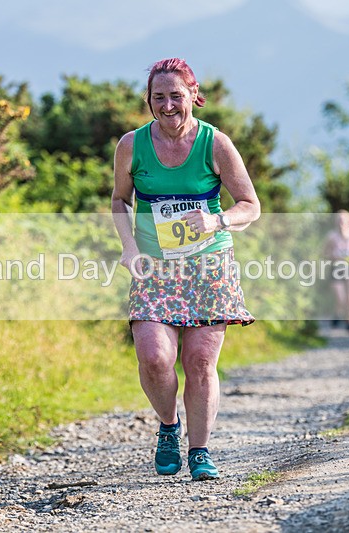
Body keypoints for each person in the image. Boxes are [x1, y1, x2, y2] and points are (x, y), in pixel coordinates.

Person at [111, 58, 260, 481]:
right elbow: (120, 200)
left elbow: (251, 205)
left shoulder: (215, 143)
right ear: (149, 101)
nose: (168, 105)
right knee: (155, 357)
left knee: (198, 362)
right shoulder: (131, 145)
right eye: (159, 97)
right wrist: (128, 246)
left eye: (176, 95)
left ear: (194, 95)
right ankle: (168, 427)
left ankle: (200, 451)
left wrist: (217, 220)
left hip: (209, 264)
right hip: (154, 267)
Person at [323, 210, 349, 336]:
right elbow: (325, 253)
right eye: (339, 221)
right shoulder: (331, 236)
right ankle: (337, 315)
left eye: (344, 221)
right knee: (341, 299)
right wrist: (334, 255)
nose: (341, 223)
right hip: (336, 269)